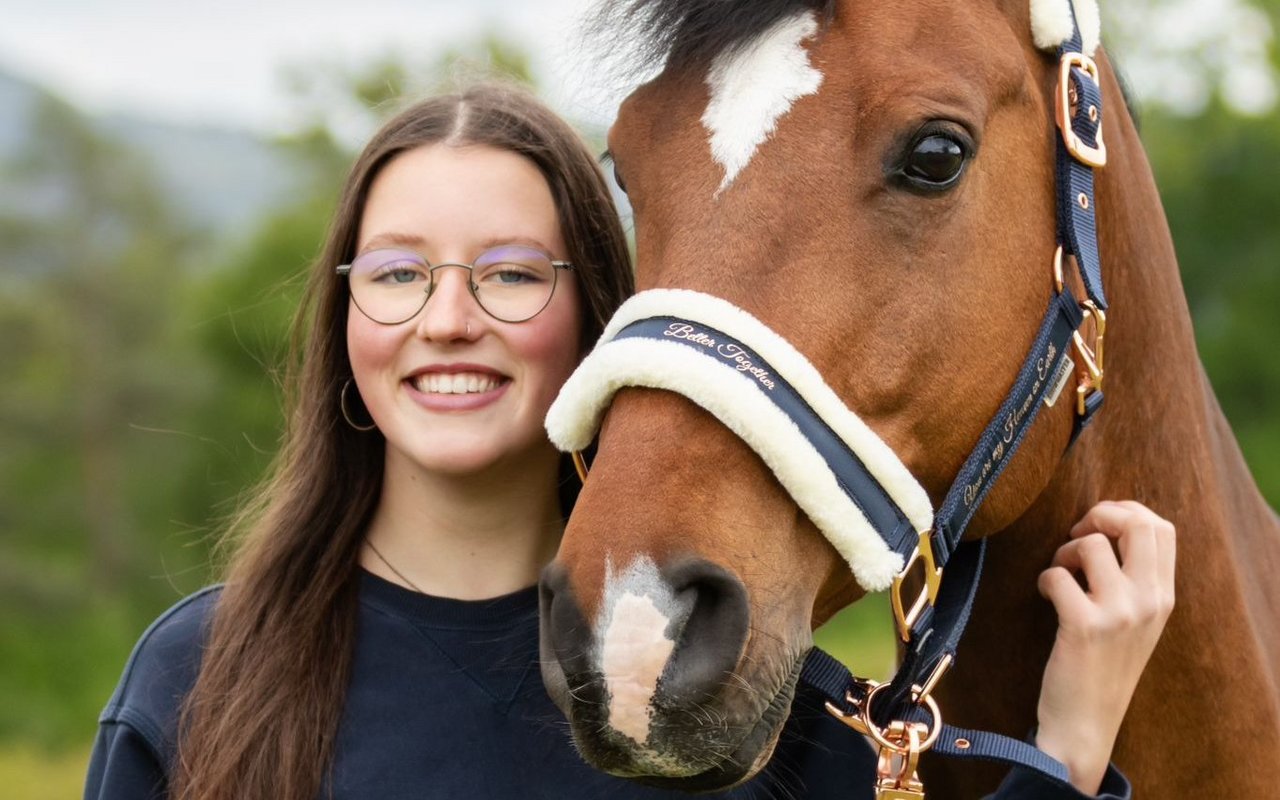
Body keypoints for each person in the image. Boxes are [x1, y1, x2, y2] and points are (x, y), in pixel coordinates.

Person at [84, 82, 1174, 800]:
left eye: (510, 272)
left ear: (609, 319)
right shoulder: (198, 675)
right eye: (398, 273)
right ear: (347, 321)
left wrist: (1067, 747)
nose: (447, 316)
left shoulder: (748, 701)